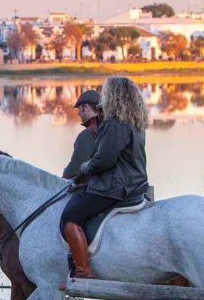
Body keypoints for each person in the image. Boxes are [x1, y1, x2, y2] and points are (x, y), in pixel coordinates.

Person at [59, 76, 149, 278]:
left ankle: (82, 270)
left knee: (70, 216)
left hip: (116, 187)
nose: (103, 98)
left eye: (106, 93)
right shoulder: (135, 122)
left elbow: (104, 160)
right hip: (136, 184)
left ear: (114, 96)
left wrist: (85, 166)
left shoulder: (115, 124)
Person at [62, 89, 102, 180]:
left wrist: (65, 174)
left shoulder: (87, 135)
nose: (79, 114)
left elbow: (75, 171)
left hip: (93, 188)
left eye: (80, 109)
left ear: (86, 107)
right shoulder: (109, 127)